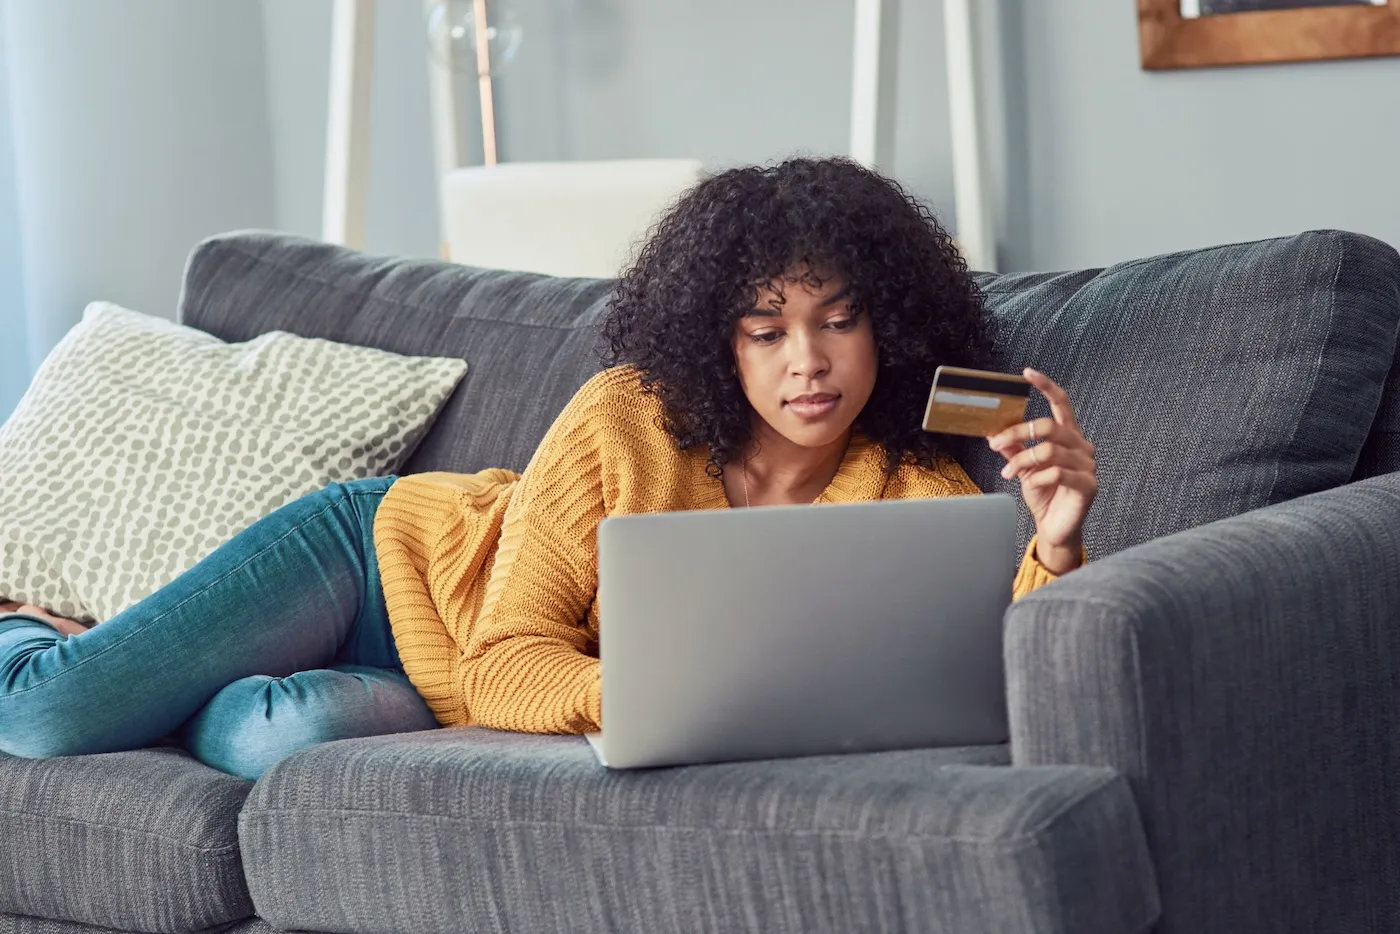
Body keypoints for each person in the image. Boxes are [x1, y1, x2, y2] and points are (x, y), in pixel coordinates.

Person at [0, 157, 1096, 780]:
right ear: (718, 339)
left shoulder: (910, 488)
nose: (805, 362)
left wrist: (1052, 540)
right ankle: (29, 626)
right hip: (375, 560)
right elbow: (504, 660)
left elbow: (980, 685)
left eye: (837, 322)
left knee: (290, 734)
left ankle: (182, 683)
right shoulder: (629, 419)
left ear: (887, 328)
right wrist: (661, 699)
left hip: (433, 684)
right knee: (47, 715)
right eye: (765, 330)